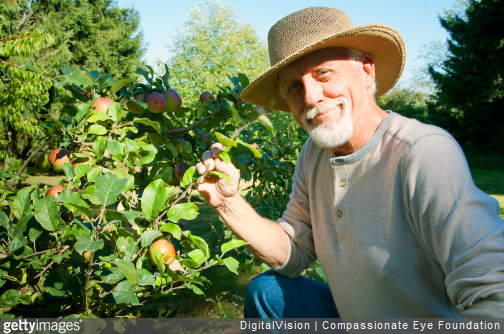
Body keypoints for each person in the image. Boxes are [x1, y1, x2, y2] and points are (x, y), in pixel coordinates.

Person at [195, 7, 504, 318]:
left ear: (366, 71)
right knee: (267, 292)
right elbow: (293, 253)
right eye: (294, 87)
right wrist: (227, 203)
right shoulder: (313, 155)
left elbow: (493, 293)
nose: (312, 97)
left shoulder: (422, 153)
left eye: (323, 73)